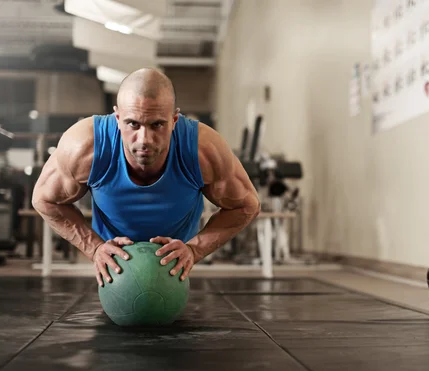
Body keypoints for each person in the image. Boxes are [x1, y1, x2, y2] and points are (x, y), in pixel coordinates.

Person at [32, 68, 260, 287]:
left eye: (157, 124)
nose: (144, 140)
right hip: (114, 261)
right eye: (133, 123)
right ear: (118, 118)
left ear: (174, 120)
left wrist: (194, 249)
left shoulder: (203, 149)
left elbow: (247, 205)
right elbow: (44, 199)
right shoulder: (85, 146)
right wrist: (94, 248)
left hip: (175, 260)